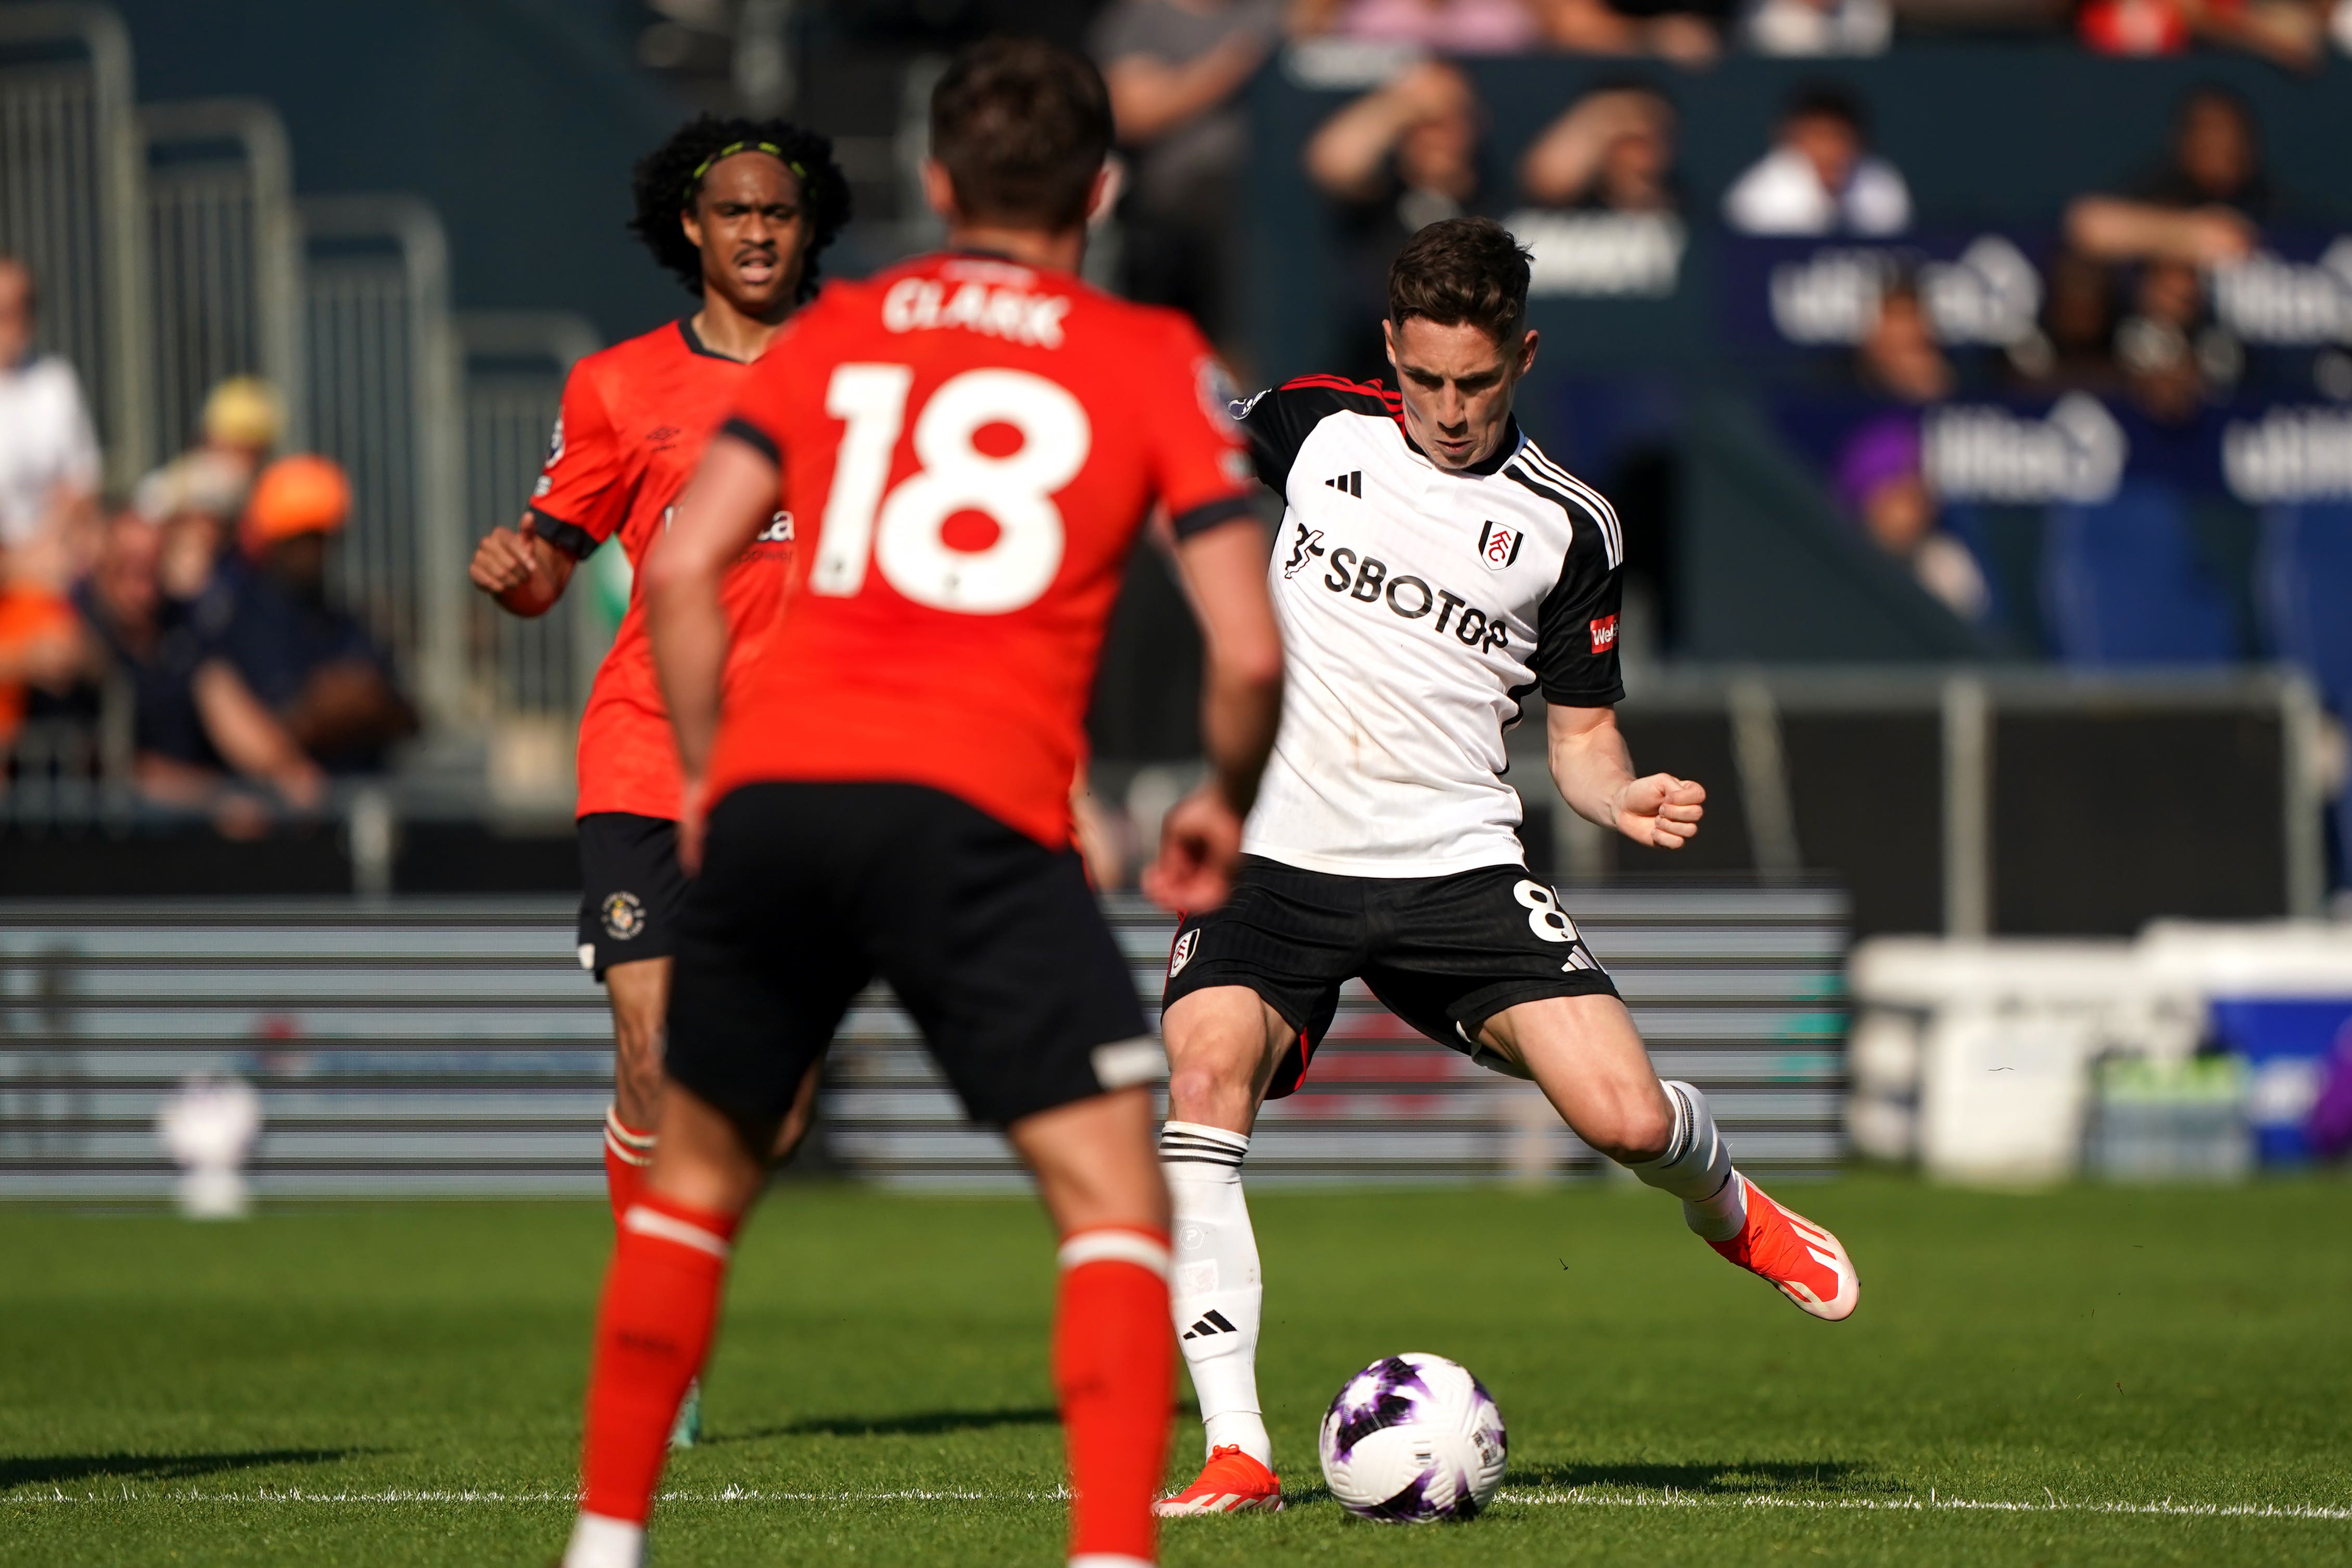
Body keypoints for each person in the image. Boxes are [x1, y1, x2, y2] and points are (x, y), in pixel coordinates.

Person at [556, 39, 1285, 1568]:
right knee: (1105, 1190)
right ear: (1100, 185)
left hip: (780, 791)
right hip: (975, 804)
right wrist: (1220, 796)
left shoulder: (840, 333)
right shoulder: (1148, 352)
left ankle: (608, 1540)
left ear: (937, 185)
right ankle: (1106, 1552)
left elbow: (680, 568)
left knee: (697, 1179)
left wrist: (705, 780)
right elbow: (1245, 643)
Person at [1148, 217, 1860, 1518]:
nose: (1450, 410)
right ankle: (1238, 1450)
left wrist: (1621, 791)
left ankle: (1727, 1204)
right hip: (1275, 855)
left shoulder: (1570, 525)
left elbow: (1580, 739)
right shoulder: (1315, 427)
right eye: (1425, 380)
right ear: (1389, 354)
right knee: (1201, 1086)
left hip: (1452, 865)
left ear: (1521, 357)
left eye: (1476, 382)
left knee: (1628, 1121)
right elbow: (1165, 447)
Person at [467, 113, 852, 1444]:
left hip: (808, 770)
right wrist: (519, 581)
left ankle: (683, 1248)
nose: (756, 231)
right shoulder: (620, 386)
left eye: (779, 212)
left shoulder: (869, 372)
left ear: (810, 227)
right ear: (689, 227)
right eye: (733, 212)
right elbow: (551, 562)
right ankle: (661, 1338)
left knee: (777, 1099)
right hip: (647, 754)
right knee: (652, 1054)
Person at [70, 507, 325, 816]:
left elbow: (223, 700)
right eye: (129, 569)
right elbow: (115, 768)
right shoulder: (75, 628)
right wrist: (217, 800)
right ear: (100, 566)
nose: (143, 590)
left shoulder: (182, 626)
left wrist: (288, 771)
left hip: (182, 822)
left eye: (152, 569)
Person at [1090, 0, 1283, 364]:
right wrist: (1238, 60)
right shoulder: (1141, 19)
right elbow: (1134, 113)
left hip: (1276, 195)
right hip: (1177, 202)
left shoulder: (1273, 12)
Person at [222, 454, 417, 774]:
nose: (311, 552)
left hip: (360, 801)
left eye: (319, 538)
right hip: (283, 812)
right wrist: (333, 705)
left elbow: (408, 714)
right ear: (272, 542)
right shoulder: (243, 622)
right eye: (299, 539)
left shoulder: (345, 621)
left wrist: (363, 700)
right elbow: (271, 729)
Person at [1306, 60, 1490, 376]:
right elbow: (1332, 160)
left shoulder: (1489, 196)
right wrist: (1405, 102)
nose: (1439, 136)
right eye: (1426, 122)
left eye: (1451, 121)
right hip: (1376, 373)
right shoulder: (1382, 194)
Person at [0, 254, 102, 752]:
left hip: (51, 571)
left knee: (69, 655)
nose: (12, 322)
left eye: (21, 308)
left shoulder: (56, 382)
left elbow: (80, 491)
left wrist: (46, 551)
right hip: (16, 573)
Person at [2065, 86, 2274, 268]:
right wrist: (2190, 236)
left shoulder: (2266, 202)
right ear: (2184, 143)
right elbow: (2089, 225)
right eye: (2205, 133)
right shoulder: (2162, 189)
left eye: (2227, 134)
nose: (2217, 144)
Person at [1722, 83, 1910, 238]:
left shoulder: (1881, 185)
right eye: (1819, 137)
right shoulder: (1758, 197)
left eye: (1840, 137)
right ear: (1790, 140)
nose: (1830, 150)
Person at [1518, 82, 1679, 212]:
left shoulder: (1680, 208)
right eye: (1621, 138)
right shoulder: (1556, 208)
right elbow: (1548, 183)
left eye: (1641, 140)